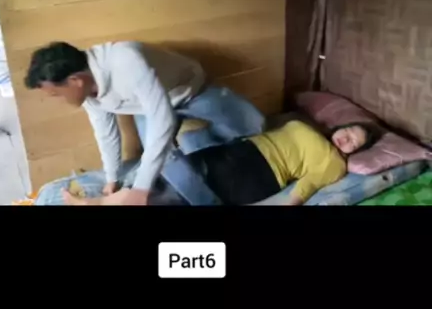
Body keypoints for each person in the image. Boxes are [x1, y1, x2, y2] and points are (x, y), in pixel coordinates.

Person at [24, 40, 266, 206]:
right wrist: (112, 179)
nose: (59, 100)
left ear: (75, 80)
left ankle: (193, 142)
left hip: (189, 91)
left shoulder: (125, 60)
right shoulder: (86, 91)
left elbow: (162, 119)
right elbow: (106, 133)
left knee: (256, 126)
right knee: (166, 161)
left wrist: (141, 190)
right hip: (146, 108)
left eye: (56, 94)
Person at [61, 119, 379, 207]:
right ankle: (106, 202)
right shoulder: (302, 124)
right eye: (349, 131)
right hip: (240, 151)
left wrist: (288, 204)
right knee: (171, 172)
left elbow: (309, 185)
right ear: (341, 126)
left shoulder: (335, 162)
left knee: (183, 188)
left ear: (355, 152)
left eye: (355, 143)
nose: (347, 139)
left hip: (260, 174)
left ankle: (101, 204)